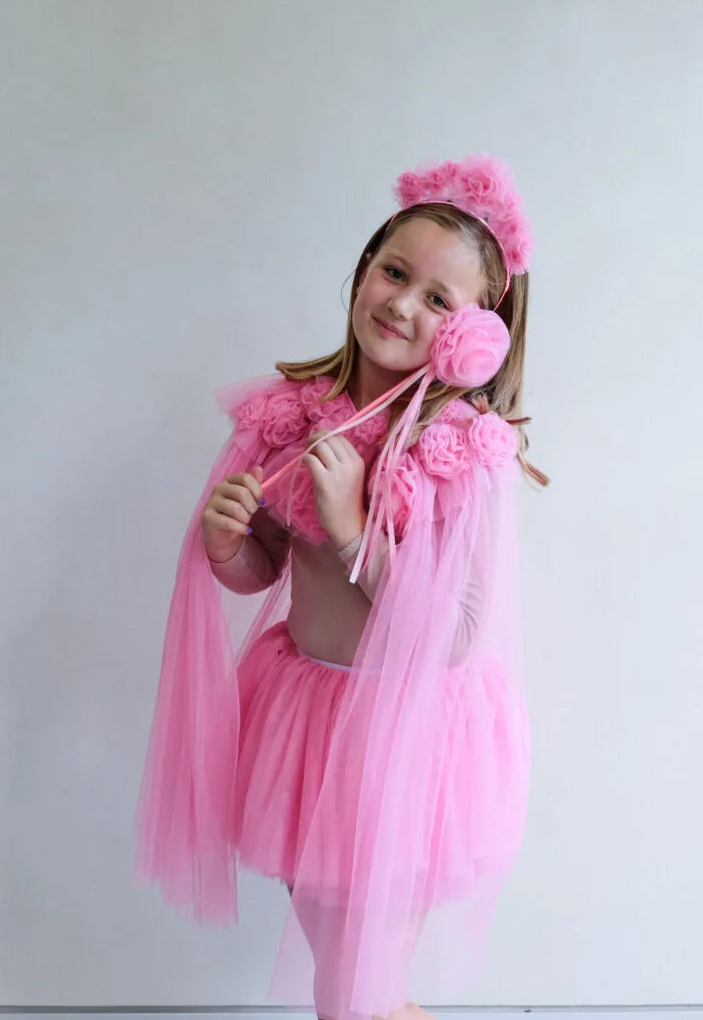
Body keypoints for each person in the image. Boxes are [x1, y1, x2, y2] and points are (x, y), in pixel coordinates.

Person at [134, 154, 549, 1020]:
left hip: (407, 740)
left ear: (476, 334)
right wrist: (229, 545)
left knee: (350, 992)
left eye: (439, 299)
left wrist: (357, 529)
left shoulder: (458, 447)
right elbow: (267, 567)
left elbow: (457, 634)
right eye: (395, 272)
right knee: (358, 980)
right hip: (308, 725)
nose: (403, 304)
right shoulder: (291, 417)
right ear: (363, 271)